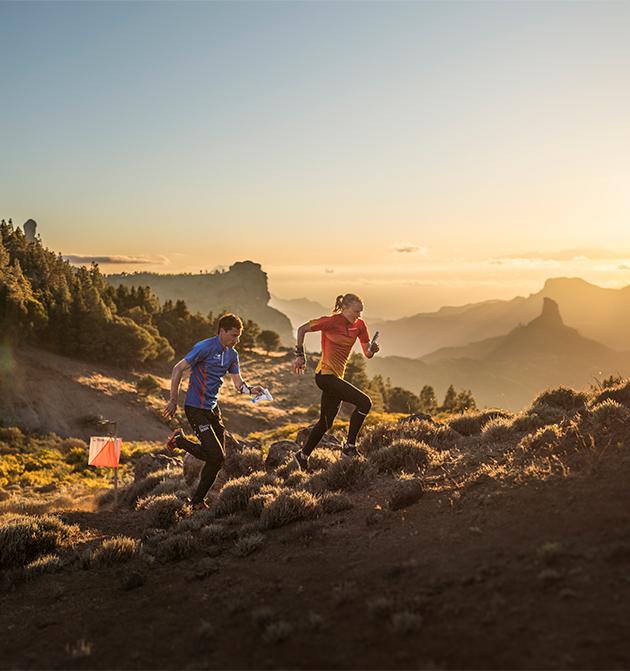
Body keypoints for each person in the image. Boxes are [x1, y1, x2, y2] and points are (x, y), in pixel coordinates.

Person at [162, 313, 265, 509]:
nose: (237, 340)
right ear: (222, 331)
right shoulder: (204, 347)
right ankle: (180, 441)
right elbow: (177, 369)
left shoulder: (232, 355)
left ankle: (197, 502)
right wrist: (173, 401)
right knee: (216, 455)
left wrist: (251, 390)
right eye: (234, 335)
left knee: (217, 460)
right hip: (195, 408)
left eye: (239, 335)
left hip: (212, 408)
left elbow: (238, 384)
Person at [292, 293, 380, 470]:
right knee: (364, 402)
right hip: (325, 376)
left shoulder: (360, 326)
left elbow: (367, 353)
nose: (359, 315)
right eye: (356, 311)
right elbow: (302, 329)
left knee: (325, 422)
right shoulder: (330, 321)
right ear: (345, 308)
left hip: (336, 378)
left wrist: (373, 350)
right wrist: (300, 355)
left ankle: (302, 456)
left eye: (360, 312)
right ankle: (349, 448)